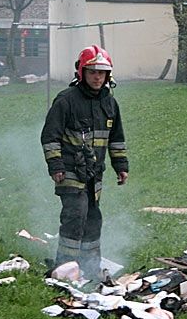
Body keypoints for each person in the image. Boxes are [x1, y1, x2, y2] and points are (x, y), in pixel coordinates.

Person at [40, 44, 129, 280]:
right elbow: (50, 136)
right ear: (82, 72)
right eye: (92, 72)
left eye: (102, 73)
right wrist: (56, 166)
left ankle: (89, 267)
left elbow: (116, 139)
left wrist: (121, 166)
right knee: (75, 215)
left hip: (94, 173)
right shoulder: (66, 100)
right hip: (70, 170)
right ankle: (65, 266)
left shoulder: (110, 103)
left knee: (93, 218)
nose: (97, 77)